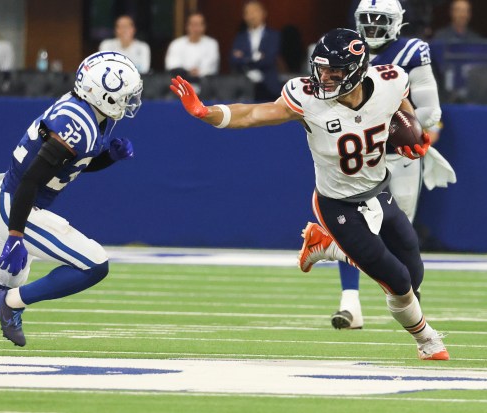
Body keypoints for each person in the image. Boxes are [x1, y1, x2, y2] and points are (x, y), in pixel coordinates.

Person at [171, 28, 449, 361]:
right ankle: (428, 341)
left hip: (377, 189)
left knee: (412, 263)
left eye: (335, 71)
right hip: (337, 203)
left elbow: (401, 106)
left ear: (358, 70)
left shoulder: (390, 81)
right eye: (321, 69)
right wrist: (208, 112)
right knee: (398, 280)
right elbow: (253, 114)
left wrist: (410, 131)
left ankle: (324, 245)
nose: (325, 78)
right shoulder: (307, 98)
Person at [299, 0, 454, 330]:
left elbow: (429, 112)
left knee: (400, 238)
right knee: (353, 229)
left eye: (379, 19)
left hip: (399, 156)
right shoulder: (342, 49)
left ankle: (411, 295)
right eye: (366, 19)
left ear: (397, 22)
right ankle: (350, 302)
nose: (371, 26)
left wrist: (399, 131)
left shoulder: (411, 50)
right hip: (356, 157)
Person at [0, 51, 143, 346]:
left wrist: (109, 157)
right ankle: (10, 303)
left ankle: (6, 296)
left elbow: (73, 163)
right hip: (18, 204)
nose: (129, 102)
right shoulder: (77, 125)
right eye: (125, 95)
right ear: (102, 93)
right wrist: (16, 235)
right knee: (94, 264)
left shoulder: (85, 110)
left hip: (12, 196)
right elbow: (32, 178)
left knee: (1, 280)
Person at [230, 0, 281, 101]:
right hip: (244, 85)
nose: (252, 15)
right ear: (244, 17)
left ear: (264, 13)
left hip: (268, 86)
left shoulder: (273, 35)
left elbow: (269, 60)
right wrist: (256, 58)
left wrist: (245, 59)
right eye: (248, 12)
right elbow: (233, 60)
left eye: (255, 11)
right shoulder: (240, 37)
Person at [165, 12, 219, 78]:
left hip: (205, 83)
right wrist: (188, 72)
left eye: (199, 25)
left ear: (204, 27)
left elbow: (210, 67)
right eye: (193, 24)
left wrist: (198, 72)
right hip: (181, 83)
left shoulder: (212, 44)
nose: (196, 28)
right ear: (187, 26)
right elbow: (172, 65)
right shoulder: (176, 44)